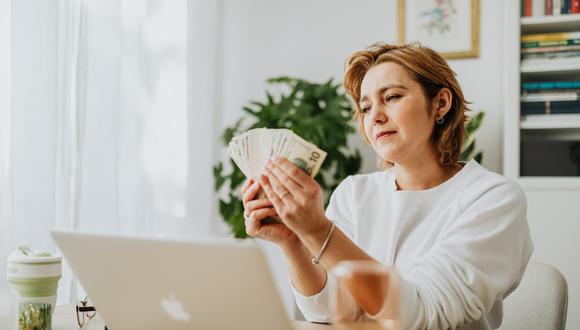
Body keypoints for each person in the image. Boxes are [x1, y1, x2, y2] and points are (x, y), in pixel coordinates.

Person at [240, 42, 533, 330]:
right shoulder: (354, 192)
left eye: (392, 97)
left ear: (441, 103)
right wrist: (294, 241)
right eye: (366, 107)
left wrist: (318, 230)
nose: (375, 117)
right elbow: (328, 311)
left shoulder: (493, 199)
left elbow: (419, 316)